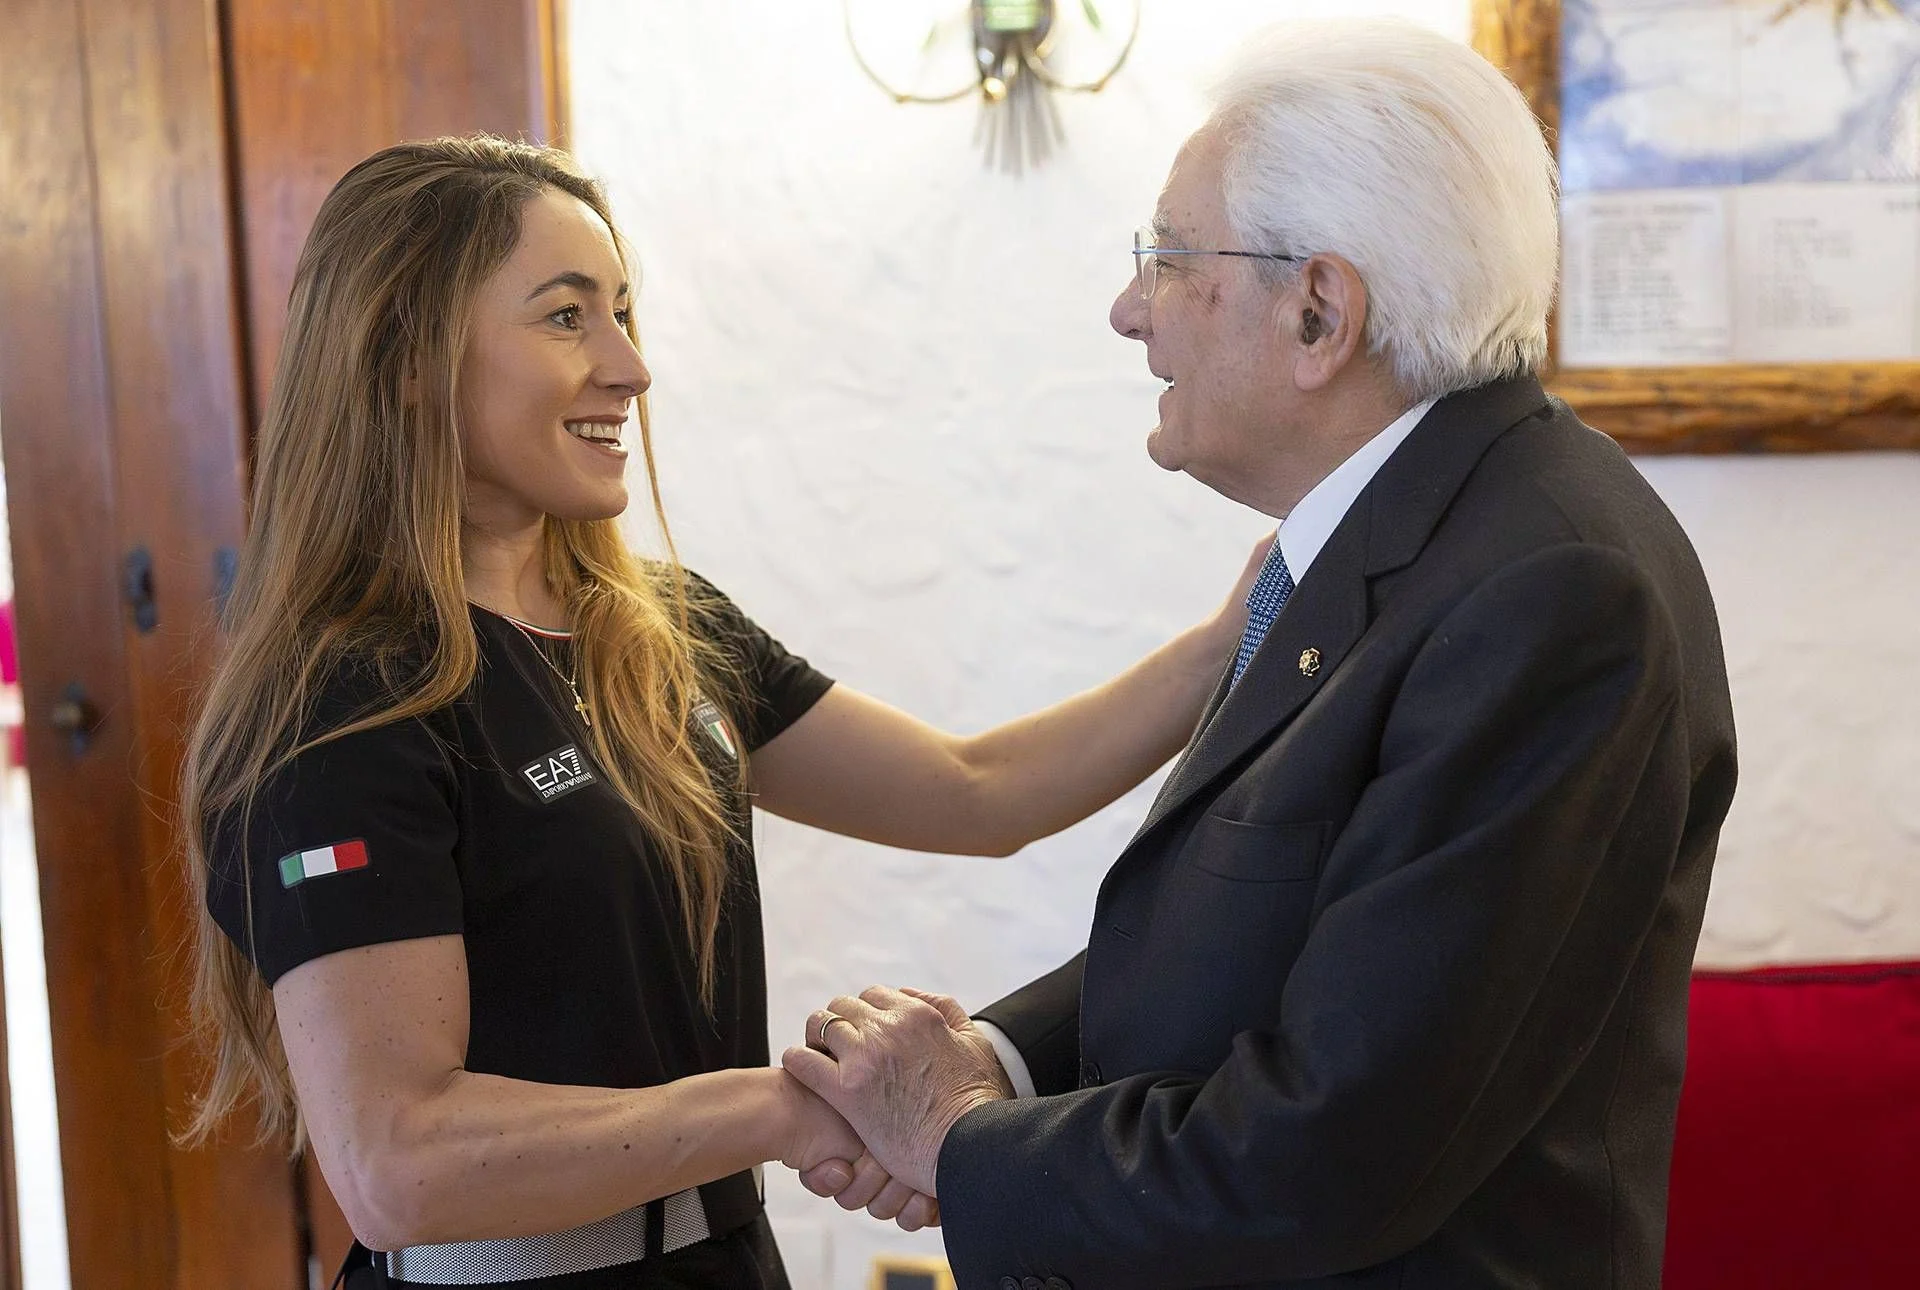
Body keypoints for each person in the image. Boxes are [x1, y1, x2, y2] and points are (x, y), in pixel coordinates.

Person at [180, 136, 1266, 1289]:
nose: (629, 367)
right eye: (565, 318)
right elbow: (399, 1161)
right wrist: (780, 1110)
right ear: (402, 354)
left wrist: (1239, 635)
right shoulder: (345, 707)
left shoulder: (663, 630)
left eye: (624, 313)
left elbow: (977, 792)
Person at [783, 20, 1739, 1290]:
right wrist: (991, 1067)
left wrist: (962, 1142)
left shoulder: (1549, 590)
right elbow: (1258, 931)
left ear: (1319, 312)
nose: (1131, 311)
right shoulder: (1424, 525)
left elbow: (1336, 1149)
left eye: (1168, 259)